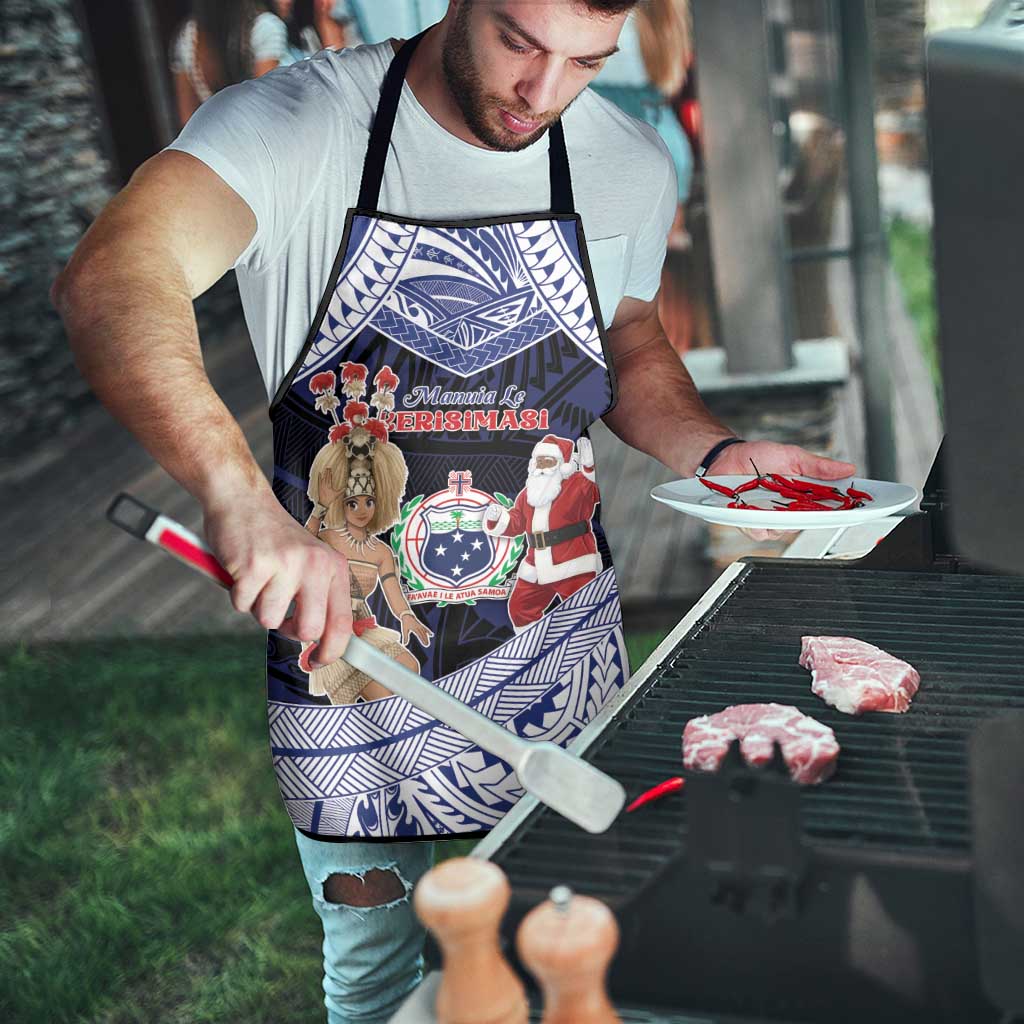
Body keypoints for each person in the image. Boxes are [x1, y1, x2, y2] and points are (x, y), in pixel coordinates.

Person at [53, 2, 856, 1020]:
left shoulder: (624, 160)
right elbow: (113, 275)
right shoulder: (297, 125)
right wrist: (236, 497)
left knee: (582, 952)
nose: (543, 93)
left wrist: (717, 448)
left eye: (585, 62)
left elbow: (629, 338)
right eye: (521, 43)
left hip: (559, 645)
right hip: (352, 664)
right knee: (380, 978)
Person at [169, 0, 289, 126]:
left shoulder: (188, 37)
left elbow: (187, 120)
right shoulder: (266, 27)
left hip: (215, 139)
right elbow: (266, 107)